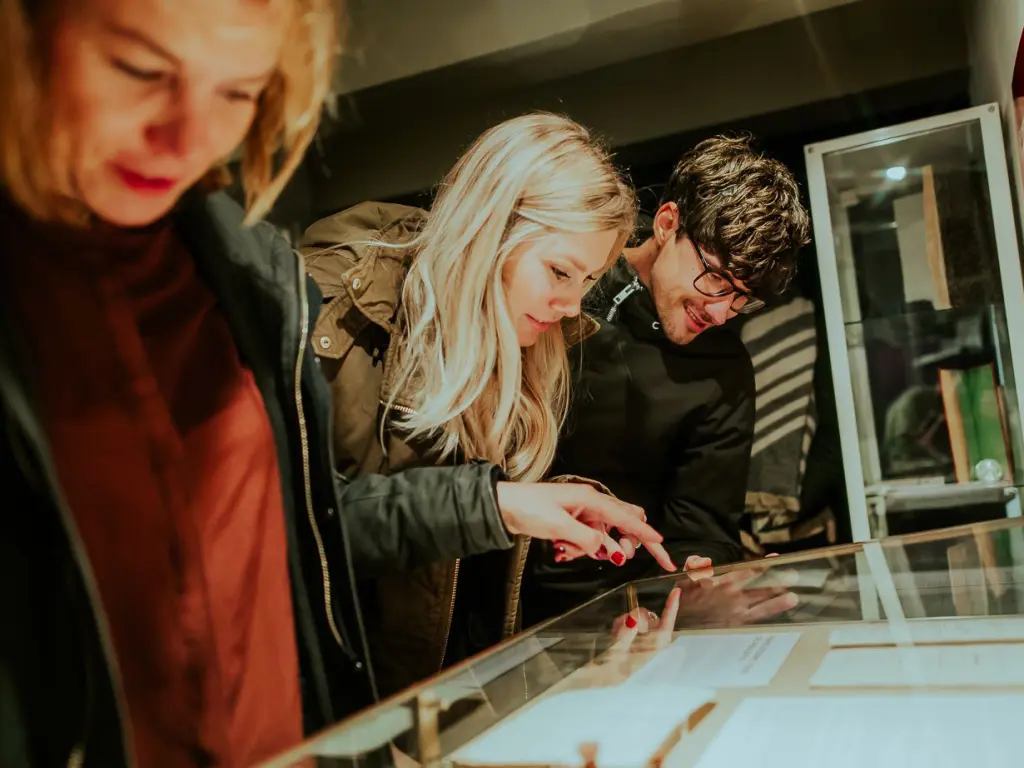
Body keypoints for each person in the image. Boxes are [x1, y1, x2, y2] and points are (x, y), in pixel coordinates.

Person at [0, 3, 669, 766]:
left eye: (239, 92)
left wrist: (512, 507)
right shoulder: (313, 299)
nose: (189, 137)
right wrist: (492, 506)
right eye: (139, 70)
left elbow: (294, 529)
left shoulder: (248, 279)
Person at [299, 112, 677, 697]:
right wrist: (496, 505)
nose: (571, 306)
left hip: (441, 701)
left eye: (587, 281)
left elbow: (450, 567)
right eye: (559, 271)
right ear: (489, 228)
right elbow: (302, 529)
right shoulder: (329, 312)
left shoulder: (518, 336)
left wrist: (547, 516)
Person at [523, 135, 812, 625]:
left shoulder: (724, 371)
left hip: (607, 615)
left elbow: (702, 525)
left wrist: (698, 577)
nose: (720, 312)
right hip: (483, 585)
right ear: (666, 223)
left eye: (742, 299)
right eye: (716, 279)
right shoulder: (569, 285)